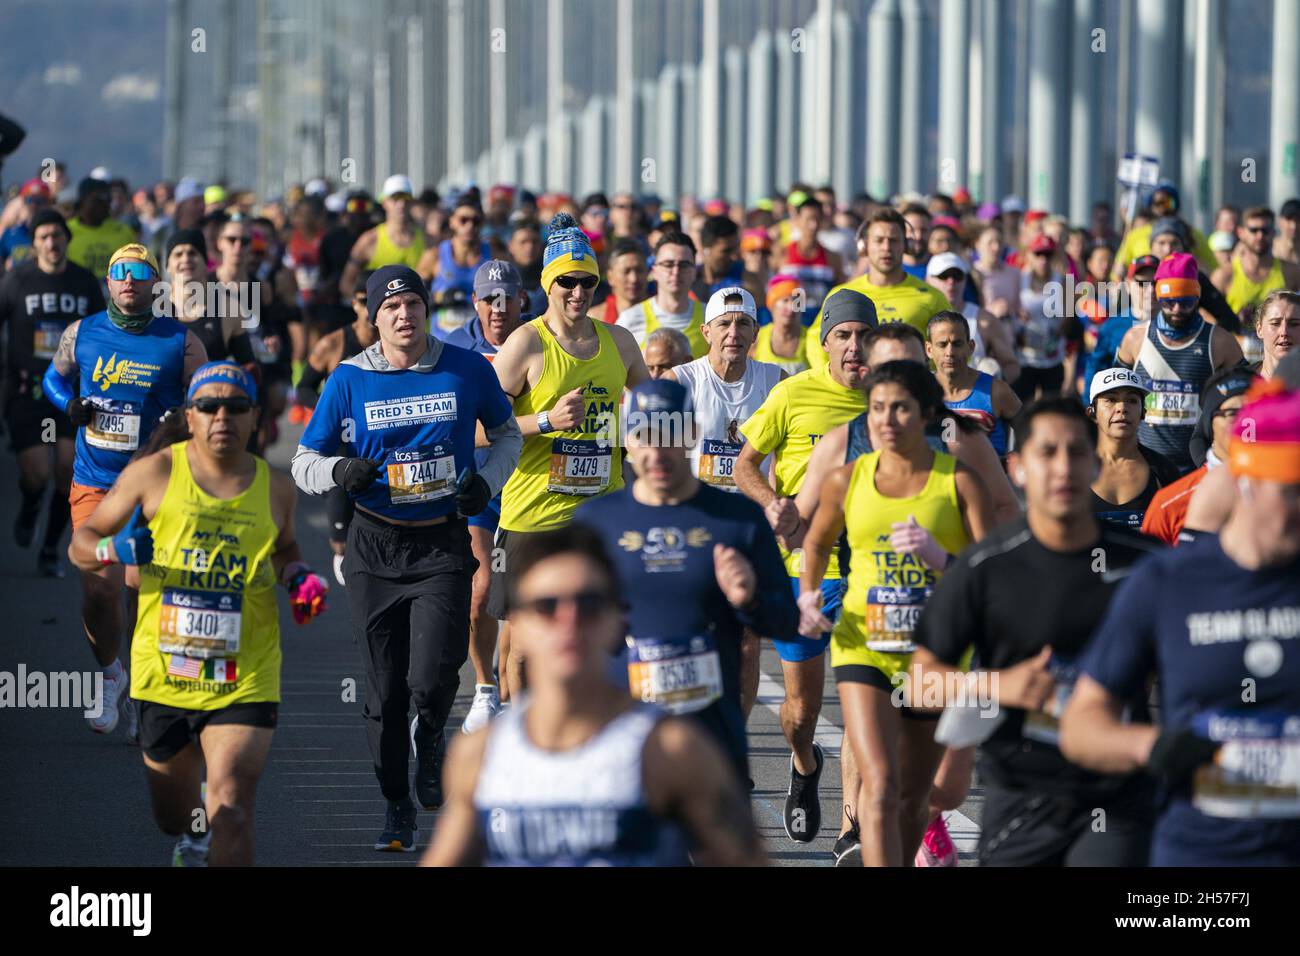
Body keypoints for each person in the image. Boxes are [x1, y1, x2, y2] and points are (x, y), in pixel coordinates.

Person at [291, 265, 522, 852]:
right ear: (373, 318)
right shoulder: (346, 380)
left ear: (426, 311)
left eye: (413, 304)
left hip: (441, 540)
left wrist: (486, 484)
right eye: (390, 308)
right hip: (375, 543)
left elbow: (508, 437)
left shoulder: (467, 368)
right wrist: (341, 469)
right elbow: (303, 463)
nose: (403, 315)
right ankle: (396, 801)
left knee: (431, 677)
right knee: (385, 694)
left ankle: (435, 734)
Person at [67, 361, 328, 866]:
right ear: (190, 416)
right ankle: (194, 834)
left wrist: (299, 578)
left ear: (256, 418)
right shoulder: (154, 472)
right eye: (209, 405)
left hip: (245, 673)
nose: (222, 415)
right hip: (164, 673)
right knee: (174, 815)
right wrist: (114, 550)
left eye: (236, 406)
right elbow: (82, 541)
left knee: (231, 806)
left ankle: (212, 832)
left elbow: (286, 548)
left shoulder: (275, 487)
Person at [911, 396, 1162, 865]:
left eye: (1076, 452)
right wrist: (999, 685)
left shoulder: (1145, 566)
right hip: (1020, 796)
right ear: (1018, 467)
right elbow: (922, 683)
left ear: (1095, 464)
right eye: (1047, 453)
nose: (1063, 467)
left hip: (1117, 793)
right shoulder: (987, 566)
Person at [421, 525, 765, 866]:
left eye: (589, 604)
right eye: (547, 605)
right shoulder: (481, 756)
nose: (569, 621)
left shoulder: (672, 750)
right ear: (518, 620)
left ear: (617, 617)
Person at [1061, 382, 1300, 866]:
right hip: (1200, 861)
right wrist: (1150, 746)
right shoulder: (1167, 583)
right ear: (1246, 483)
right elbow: (1081, 724)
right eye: (1292, 491)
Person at [798, 360, 992, 866]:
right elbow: (816, 544)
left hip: (934, 655)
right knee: (880, 785)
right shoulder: (847, 479)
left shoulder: (960, 482)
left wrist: (940, 559)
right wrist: (808, 597)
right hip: (864, 648)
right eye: (877, 408)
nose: (886, 420)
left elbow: (993, 573)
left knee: (914, 795)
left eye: (900, 408)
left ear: (927, 412)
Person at [578, 378, 797, 782]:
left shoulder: (738, 520)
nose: (657, 451)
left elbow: (785, 622)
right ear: (627, 439)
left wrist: (749, 599)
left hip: (711, 742)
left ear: (692, 435)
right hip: (621, 741)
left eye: (670, 434)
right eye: (645, 436)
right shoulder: (595, 524)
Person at [43, 243, 209, 736]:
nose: (129, 279)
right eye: (120, 271)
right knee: (98, 588)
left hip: (157, 485)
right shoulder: (82, 333)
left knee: (143, 588)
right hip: (95, 482)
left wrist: (183, 421)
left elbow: (211, 398)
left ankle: (144, 683)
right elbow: (54, 378)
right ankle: (111, 673)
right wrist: (69, 405)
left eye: (139, 271)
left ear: (156, 283)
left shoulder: (180, 341)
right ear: (109, 281)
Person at [734, 289, 878, 845]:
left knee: (863, 700)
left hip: (871, 569)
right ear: (825, 344)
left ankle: (852, 829)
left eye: (864, 334)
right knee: (801, 711)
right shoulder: (794, 394)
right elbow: (746, 463)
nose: (854, 345)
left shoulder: (890, 401)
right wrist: (772, 502)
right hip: (802, 568)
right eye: (843, 335)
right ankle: (803, 763)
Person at [487, 215, 648, 702]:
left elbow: (655, 411)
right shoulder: (526, 343)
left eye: (588, 282)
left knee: (607, 635)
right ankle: (519, 738)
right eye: (567, 281)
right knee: (524, 646)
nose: (578, 292)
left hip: (603, 513)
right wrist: (547, 421)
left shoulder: (619, 341)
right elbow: (478, 430)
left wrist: (643, 433)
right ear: (547, 283)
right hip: (534, 515)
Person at [442, 259, 529, 729]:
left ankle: (515, 699)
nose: (498, 308)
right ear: (474, 303)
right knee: (480, 592)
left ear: (522, 301)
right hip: (475, 486)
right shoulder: (453, 348)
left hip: (526, 484)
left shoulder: (538, 339)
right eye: (488, 299)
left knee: (513, 601)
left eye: (507, 298)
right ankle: (483, 688)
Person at [0, 209, 104, 575]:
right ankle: (30, 509)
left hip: (69, 394)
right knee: (37, 475)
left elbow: (101, 331)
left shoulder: (84, 282)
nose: (51, 242)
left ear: (66, 240)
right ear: (34, 242)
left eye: (57, 235)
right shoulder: (17, 280)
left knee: (65, 470)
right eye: (43, 236)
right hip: (26, 391)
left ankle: (49, 549)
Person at [1116, 252, 1245, 473]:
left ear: (1197, 298)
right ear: (1158, 296)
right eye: (1169, 302)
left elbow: (1247, 396)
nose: (1176, 310)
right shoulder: (1134, 339)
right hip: (1146, 465)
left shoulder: (1220, 341)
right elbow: (1115, 399)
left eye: (1185, 303)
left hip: (1199, 465)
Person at [294, 273, 380, 584]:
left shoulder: (395, 345)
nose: (369, 309)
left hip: (380, 443)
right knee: (340, 527)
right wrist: (328, 409)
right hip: (341, 447)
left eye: (375, 301)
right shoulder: (333, 344)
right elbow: (302, 388)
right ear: (354, 305)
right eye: (362, 302)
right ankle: (344, 559)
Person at [807, 208, 948, 368]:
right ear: (864, 246)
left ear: (906, 246)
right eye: (879, 240)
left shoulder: (931, 297)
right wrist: (834, 381)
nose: (886, 247)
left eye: (893, 240)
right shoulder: (842, 295)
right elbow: (815, 340)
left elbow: (952, 343)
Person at [1142, 367, 1256, 546]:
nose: (1247, 422)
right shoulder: (1168, 505)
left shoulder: (1290, 494)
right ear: (1210, 423)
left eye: (1255, 410)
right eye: (1233, 413)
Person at [1086, 368, 1181, 529]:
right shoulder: (1071, 469)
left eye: (1132, 400)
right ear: (1092, 413)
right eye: (1110, 399)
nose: (1122, 408)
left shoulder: (1165, 471)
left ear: (1143, 412)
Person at [926, 310, 1021, 458]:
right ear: (929, 349)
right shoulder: (920, 393)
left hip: (988, 479)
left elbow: (1031, 432)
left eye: (957, 344)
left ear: (971, 347)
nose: (950, 352)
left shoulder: (996, 391)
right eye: (942, 344)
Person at [1212, 207, 1300, 365]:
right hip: (1235, 363)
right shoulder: (1225, 275)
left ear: (1273, 233)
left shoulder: (1291, 272)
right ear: (1241, 232)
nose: (1260, 236)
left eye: (1265, 230)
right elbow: (1206, 317)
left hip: (1280, 364)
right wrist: (1232, 320)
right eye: (1254, 230)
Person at [161, 229, 255, 366]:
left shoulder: (229, 308)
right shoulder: (154, 308)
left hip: (211, 386)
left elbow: (248, 367)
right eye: (178, 254)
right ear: (168, 266)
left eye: (193, 253)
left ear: (205, 262)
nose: (186, 259)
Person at [925, 253, 1019, 383]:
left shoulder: (984, 320)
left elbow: (1012, 365)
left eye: (957, 276)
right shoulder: (918, 317)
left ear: (965, 280)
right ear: (927, 280)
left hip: (974, 401)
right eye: (943, 276)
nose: (951, 282)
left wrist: (996, 381)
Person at [617, 231, 708, 358]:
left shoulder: (709, 318)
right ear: (654, 271)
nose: (676, 272)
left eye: (684, 265)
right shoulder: (630, 320)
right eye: (668, 264)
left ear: (694, 271)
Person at [340, 174, 424, 297]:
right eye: (395, 198)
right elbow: (346, 284)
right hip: (383, 316)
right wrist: (370, 307)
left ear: (412, 202)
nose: (401, 204)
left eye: (405, 198)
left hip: (419, 316)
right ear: (384, 202)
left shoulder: (427, 240)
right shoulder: (370, 240)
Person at [1081, 254, 1157, 387]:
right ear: (1127, 285)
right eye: (1141, 283)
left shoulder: (1177, 326)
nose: (1150, 290)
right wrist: (1089, 404)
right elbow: (1095, 368)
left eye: (1155, 283)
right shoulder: (1113, 326)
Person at [1013, 234, 1072, 401]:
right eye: (1038, 254)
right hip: (1024, 358)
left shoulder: (1062, 282)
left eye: (1047, 255)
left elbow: (1069, 318)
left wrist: (1055, 334)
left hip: (1051, 358)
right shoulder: (1019, 279)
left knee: (1051, 405)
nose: (1043, 260)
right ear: (1029, 256)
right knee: (1022, 407)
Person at [424, 195, 491, 336]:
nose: (469, 226)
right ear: (452, 222)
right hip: (442, 342)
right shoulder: (435, 255)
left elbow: (508, 295)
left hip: (478, 342)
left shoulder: (494, 254)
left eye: (475, 221)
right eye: (463, 220)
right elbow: (414, 295)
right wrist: (440, 297)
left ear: (482, 223)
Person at [777, 195, 842, 316]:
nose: (813, 225)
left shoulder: (833, 257)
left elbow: (840, 295)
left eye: (817, 219)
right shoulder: (782, 252)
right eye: (808, 219)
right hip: (791, 320)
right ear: (797, 220)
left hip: (821, 322)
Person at [66, 178, 137, 288]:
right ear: (82, 201)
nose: (105, 204)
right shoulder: (66, 231)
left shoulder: (123, 231)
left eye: (108, 199)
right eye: (98, 199)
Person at [752, 275, 809, 375]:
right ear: (772, 305)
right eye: (785, 300)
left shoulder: (811, 338)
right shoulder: (756, 337)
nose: (791, 308)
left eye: (797, 302)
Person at [593, 237, 647, 324]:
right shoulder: (596, 320)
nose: (634, 279)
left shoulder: (662, 315)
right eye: (626, 271)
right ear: (610, 277)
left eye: (639, 270)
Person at [1249, 289, 1300, 381]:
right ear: (1259, 329)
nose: (1284, 332)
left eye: (1294, 324)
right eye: (1275, 323)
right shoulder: (1240, 383)